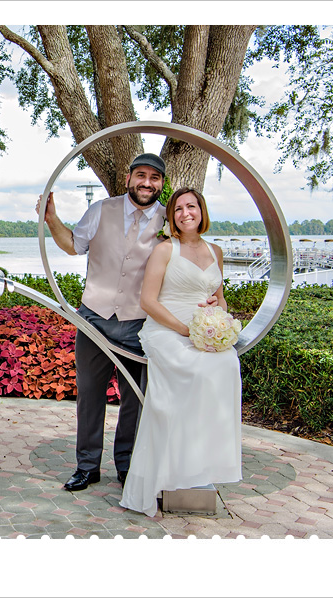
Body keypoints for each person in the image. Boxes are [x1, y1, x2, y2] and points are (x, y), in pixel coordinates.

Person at [39, 153, 166, 491]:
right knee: (90, 395)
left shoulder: (170, 222)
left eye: (154, 178)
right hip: (94, 317)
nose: (147, 183)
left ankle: (126, 465)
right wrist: (51, 219)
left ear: (161, 185)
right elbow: (73, 246)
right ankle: (87, 466)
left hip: (139, 322)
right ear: (128, 178)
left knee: (135, 398)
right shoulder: (100, 210)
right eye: (141, 175)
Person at [120, 187, 243, 517]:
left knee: (228, 365)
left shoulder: (215, 250)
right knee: (193, 370)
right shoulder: (164, 250)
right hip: (167, 328)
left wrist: (216, 320)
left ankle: (200, 462)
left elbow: (220, 298)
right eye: (178, 209)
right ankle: (168, 468)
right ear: (171, 217)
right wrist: (186, 330)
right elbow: (148, 301)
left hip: (203, 329)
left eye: (192, 206)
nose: (185, 213)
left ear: (202, 211)